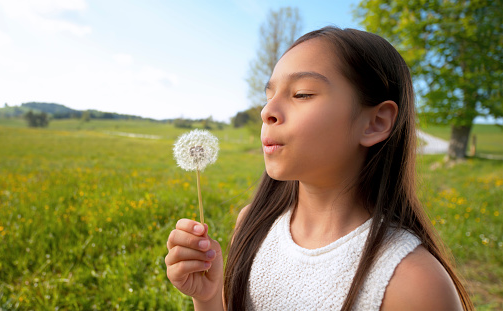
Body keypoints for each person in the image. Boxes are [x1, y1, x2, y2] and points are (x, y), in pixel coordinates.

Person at [165, 27, 473, 311]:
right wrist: (207, 298)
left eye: (301, 94)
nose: (267, 111)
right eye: (269, 95)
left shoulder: (415, 284)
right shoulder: (251, 225)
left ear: (375, 122)